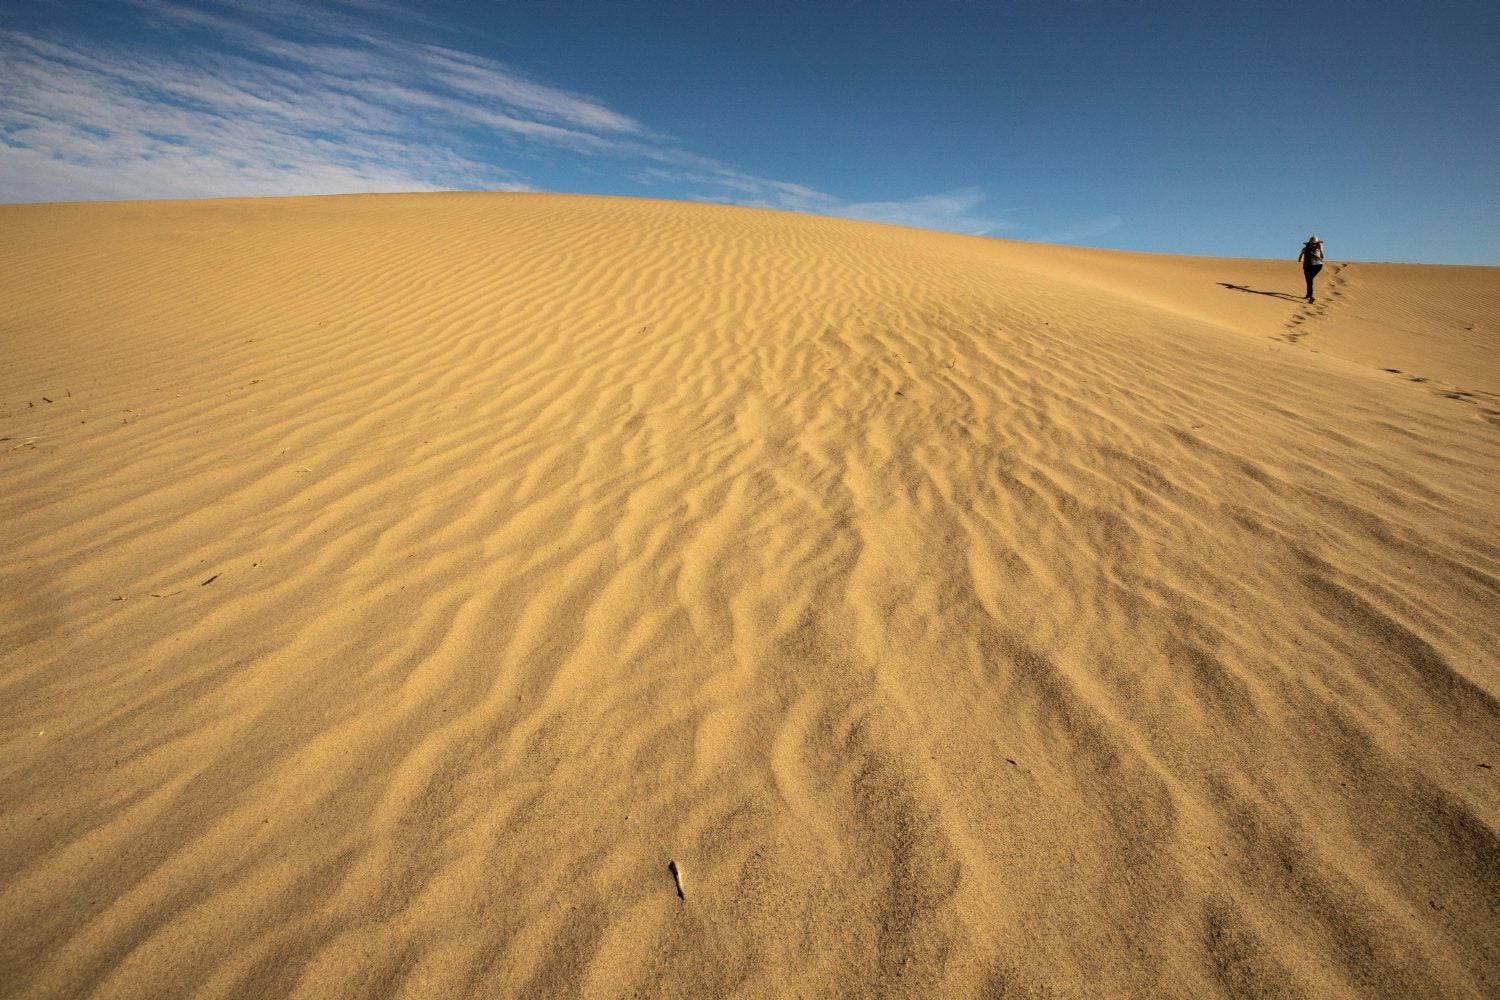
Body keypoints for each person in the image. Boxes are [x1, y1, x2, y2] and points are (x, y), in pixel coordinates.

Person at [1298, 236, 1324, 302]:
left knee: (1309, 281)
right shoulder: (1318, 248)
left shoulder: (1305, 249)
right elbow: (1322, 257)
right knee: (1309, 280)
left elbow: (1300, 260)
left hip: (1309, 266)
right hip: (1318, 265)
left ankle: (1310, 296)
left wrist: (1305, 258)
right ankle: (1308, 295)